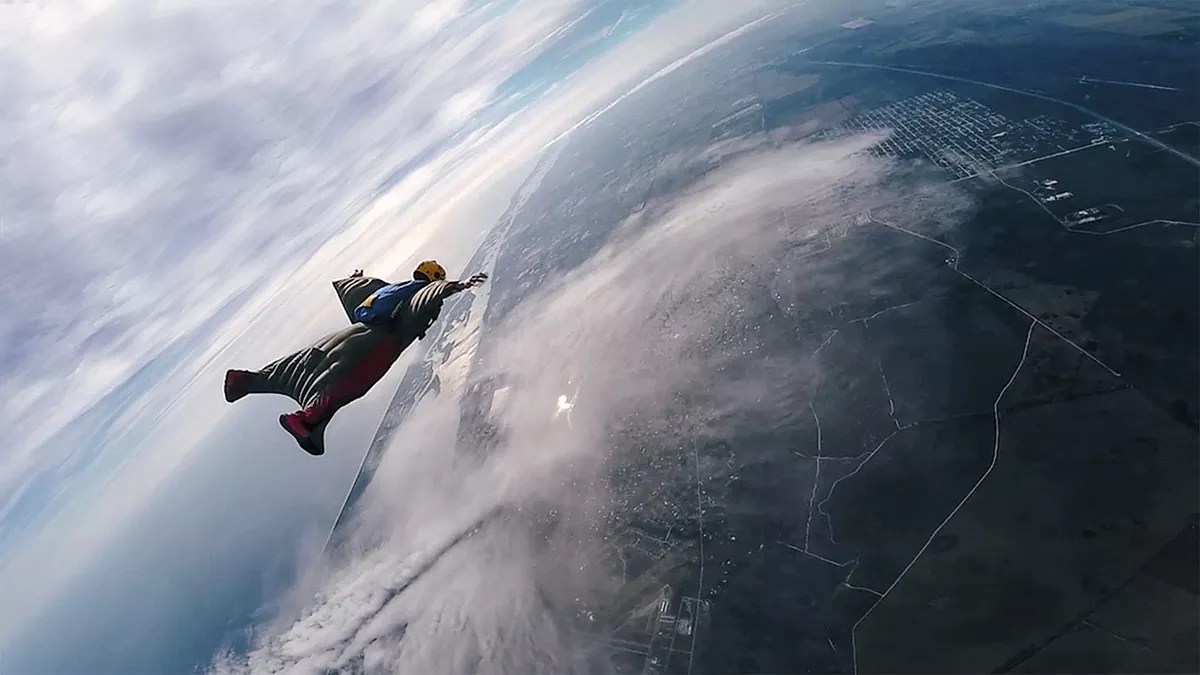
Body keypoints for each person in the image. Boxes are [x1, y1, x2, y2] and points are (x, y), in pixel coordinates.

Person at [222, 260, 488, 455]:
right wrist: (457, 286)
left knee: (306, 365)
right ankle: (305, 418)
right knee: (349, 382)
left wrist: (354, 278)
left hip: (354, 331)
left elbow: (357, 292)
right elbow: (427, 297)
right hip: (378, 342)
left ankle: (250, 381)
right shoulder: (416, 291)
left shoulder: (385, 290)